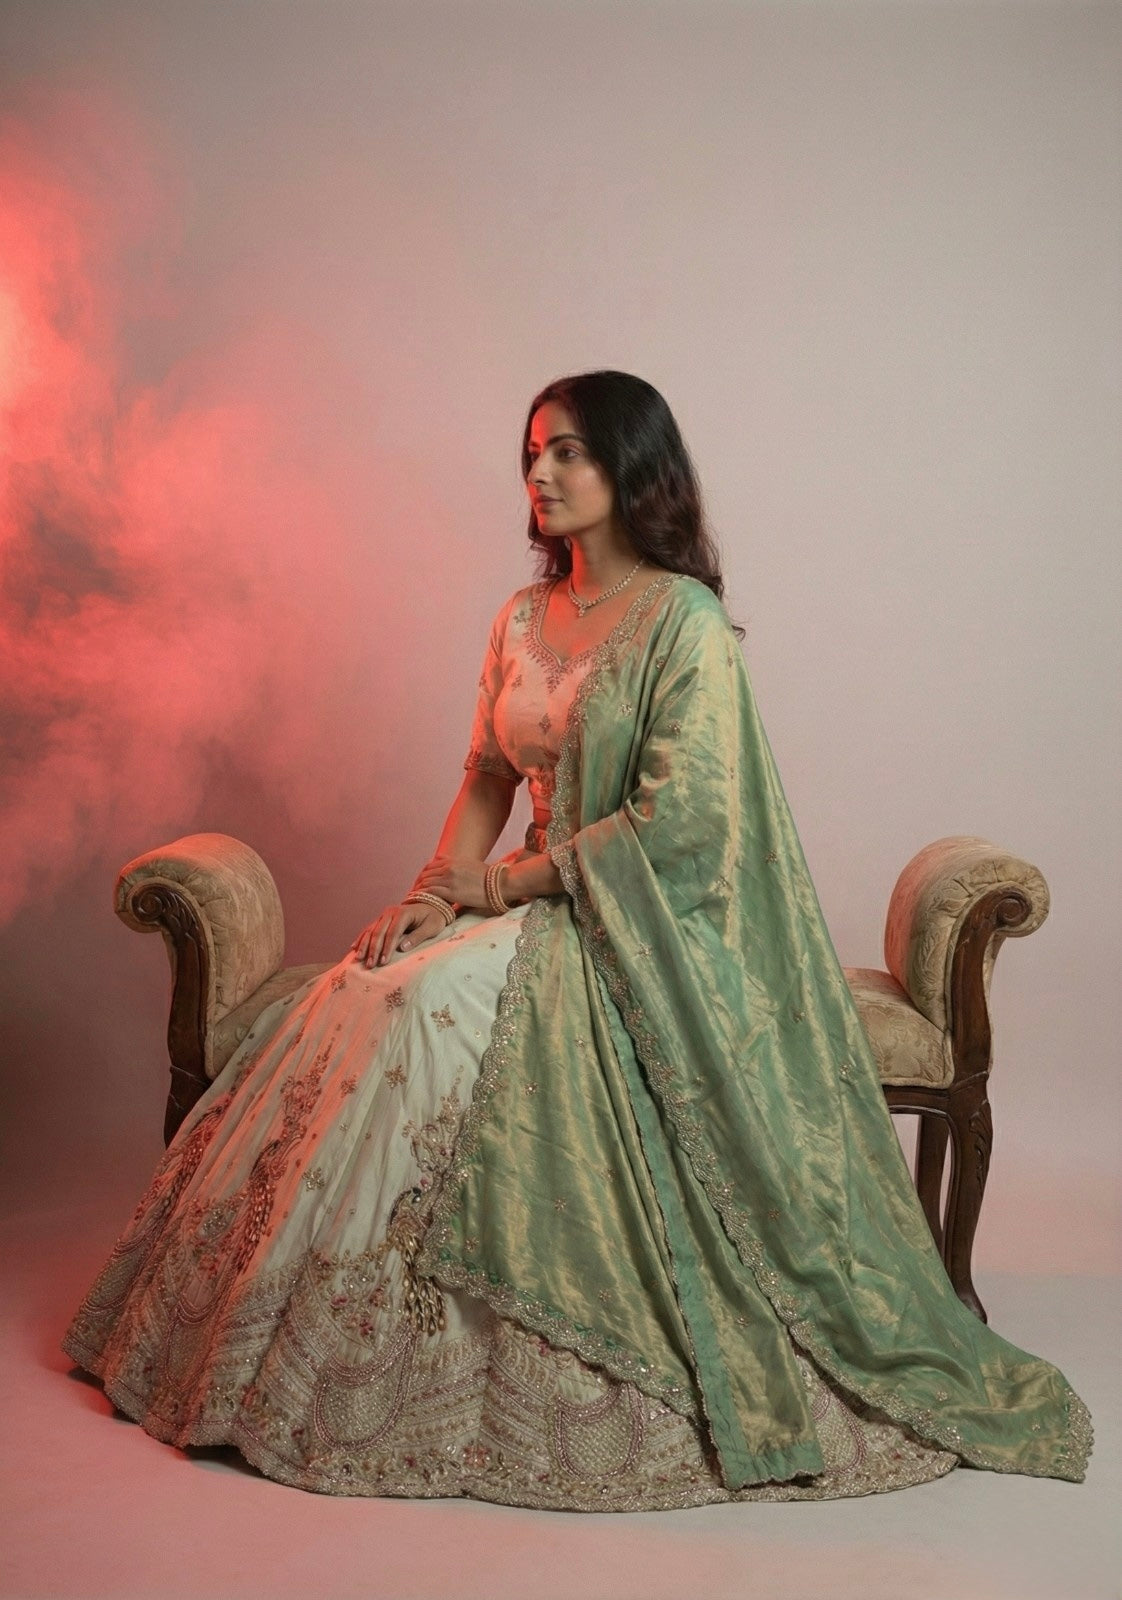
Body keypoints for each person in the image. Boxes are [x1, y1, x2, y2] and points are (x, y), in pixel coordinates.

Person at [64, 371, 1091, 1509]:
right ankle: (266, 1337)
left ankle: (435, 1346)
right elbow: (485, 776)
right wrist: (434, 894)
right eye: (533, 453)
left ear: (631, 467)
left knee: (419, 1009)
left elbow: (680, 826)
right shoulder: (519, 616)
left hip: (635, 923)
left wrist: (497, 887)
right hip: (522, 897)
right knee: (368, 983)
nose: (541, 475)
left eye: (570, 453)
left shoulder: (683, 623)